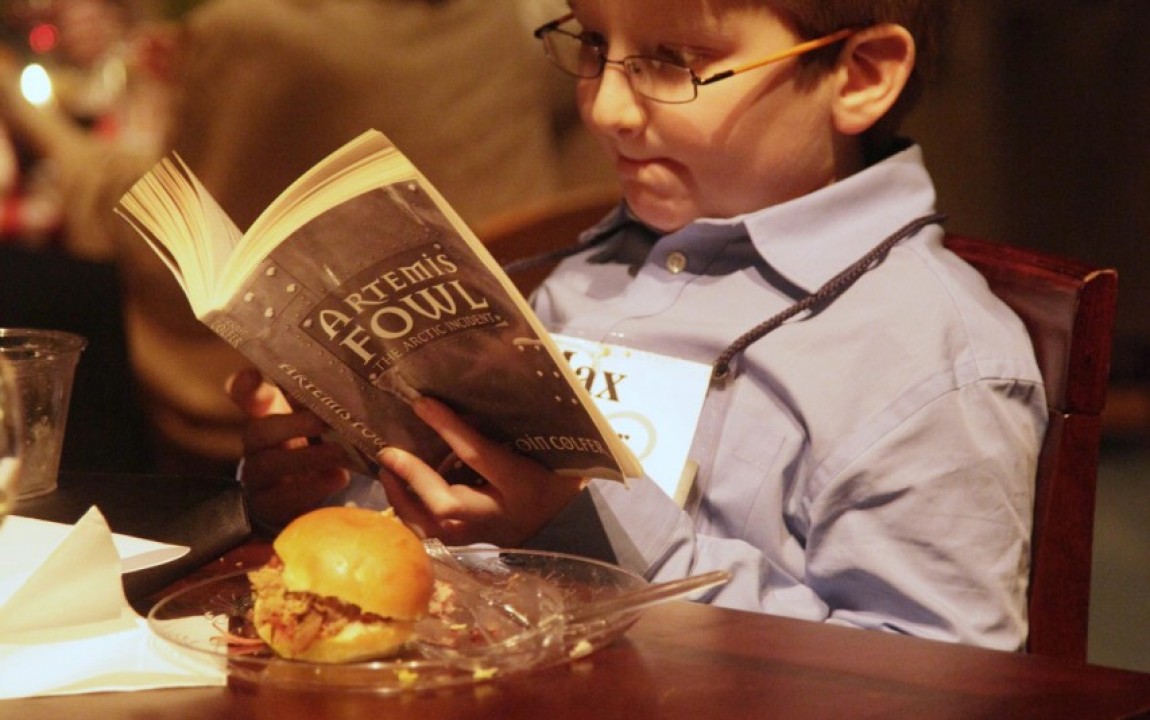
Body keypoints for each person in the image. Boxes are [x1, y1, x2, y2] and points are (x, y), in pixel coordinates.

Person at [228, 0, 1048, 651]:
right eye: (591, 44)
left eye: (674, 62)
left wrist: (586, 532)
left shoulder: (934, 357)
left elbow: (942, 684)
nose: (607, 107)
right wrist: (334, 495)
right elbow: (468, 546)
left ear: (860, 74)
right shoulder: (593, 275)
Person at [0, 0, 613, 475]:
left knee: (39, 291)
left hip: (342, 406)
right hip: (507, 348)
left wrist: (24, 106)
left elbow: (159, 224)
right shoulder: (487, 15)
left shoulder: (261, 34)